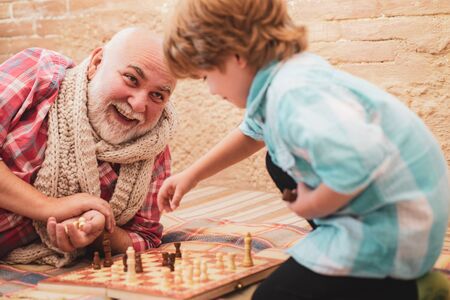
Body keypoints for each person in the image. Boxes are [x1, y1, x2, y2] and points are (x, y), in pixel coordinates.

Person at [157, 0, 449, 299]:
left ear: (237, 55)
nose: (212, 90)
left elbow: (356, 164)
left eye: (206, 76)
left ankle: (405, 288)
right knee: (277, 158)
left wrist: (313, 204)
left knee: (273, 296)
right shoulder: (284, 78)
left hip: (397, 233)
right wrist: (191, 175)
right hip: (399, 212)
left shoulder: (293, 95)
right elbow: (252, 134)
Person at [0, 27, 177, 267]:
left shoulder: (153, 151)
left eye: (157, 95)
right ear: (97, 63)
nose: (138, 105)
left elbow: (145, 237)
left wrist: (99, 231)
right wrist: (52, 207)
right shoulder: (39, 71)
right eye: (131, 79)